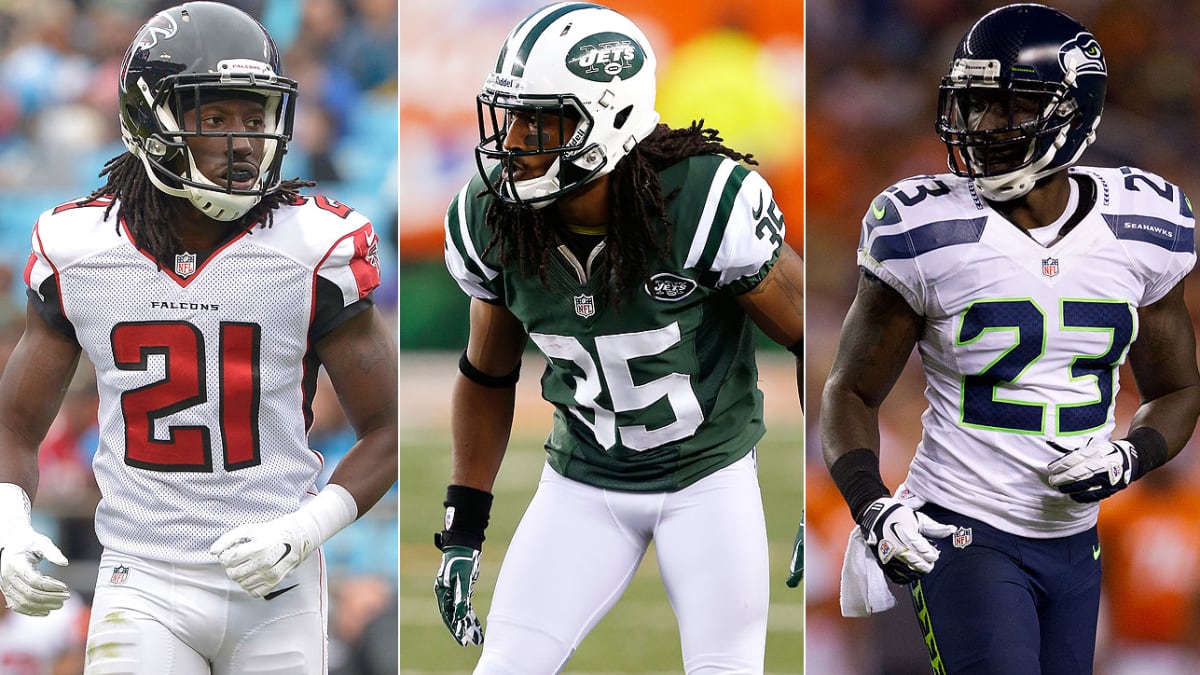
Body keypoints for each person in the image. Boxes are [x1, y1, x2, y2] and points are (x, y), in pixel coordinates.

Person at [0, 3, 397, 673]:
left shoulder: (314, 245)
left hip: (277, 581)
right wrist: (9, 528)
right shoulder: (80, 247)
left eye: (255, 115)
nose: (243, 140)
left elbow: (384, 431)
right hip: (142, 577)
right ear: (148, 120)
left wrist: (305, 528)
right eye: (214, 117)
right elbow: (13, 425)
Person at [819, 3, 1200, 673]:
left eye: (1009, 107)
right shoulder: (924, 227)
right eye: (974, 104)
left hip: (1074, 539)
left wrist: (1129, 457)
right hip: (962, 527)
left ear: (1074, 112)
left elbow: (1178, 388)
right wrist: (871, 503)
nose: (982, 126)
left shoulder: (1144, 222)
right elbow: (850, 388)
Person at [436, 2, 804, 672]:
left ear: (608, 117)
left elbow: (813, 337)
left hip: (707, 480)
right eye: (512, 116)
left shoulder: (702, 201)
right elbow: (486, 373)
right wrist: (463, 525)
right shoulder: (492, 217)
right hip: (582, 481)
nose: (514, 140)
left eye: (541, 120)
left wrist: (824, 482)